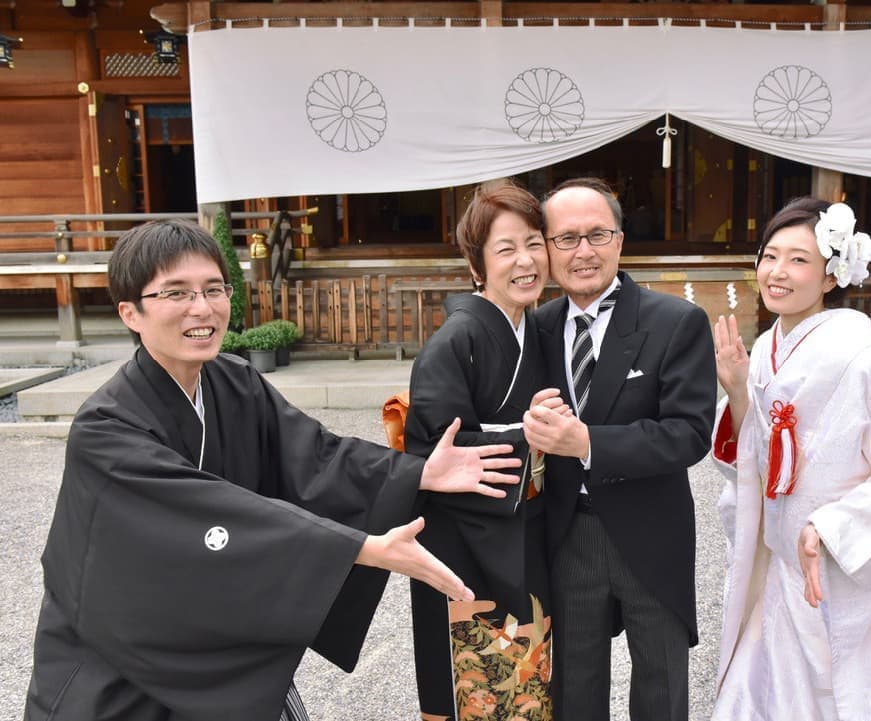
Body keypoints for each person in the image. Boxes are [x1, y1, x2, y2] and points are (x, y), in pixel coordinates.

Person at [23, 219, 522, 721]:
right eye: (176, 293)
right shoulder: (105, 428)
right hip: (118, 658)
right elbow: (207, 513)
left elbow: (316, 456)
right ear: (130, 312)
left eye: (213, 289)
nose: (202, 308)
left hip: (206, 638)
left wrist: (416, 474)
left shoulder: (233, 381)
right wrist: (362, 548)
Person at [710, 197, 871, 720]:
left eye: (798, 259)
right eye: (769, 255)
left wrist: (828, 526)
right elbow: (751, 467)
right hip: (783, 570)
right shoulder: (760, 359)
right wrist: (736, 393)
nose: (777, 272)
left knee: (847, 692)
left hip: (844, 568)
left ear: (831, 276)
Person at [523, 177, 717, 721]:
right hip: (567, 534)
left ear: (621, 240)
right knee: (575, 689)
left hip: (650, 529)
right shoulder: (535, 327)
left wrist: (585, 441)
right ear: (549, 249)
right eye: (566, 238)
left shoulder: (674, 321)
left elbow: (689, 433)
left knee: (660, 686)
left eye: (597, 234)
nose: (583, 252)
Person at [404, 180, 556, 720]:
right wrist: (530, 431)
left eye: (534, 243)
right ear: (477, 265)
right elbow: (435, 447)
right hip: (466, 541)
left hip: (523, 529)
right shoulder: (457, 339)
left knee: (528, 682)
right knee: (473, 680)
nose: (525, 260)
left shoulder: (537, 330)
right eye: (506, 248)